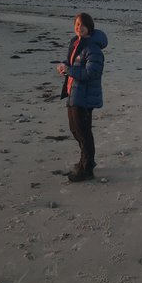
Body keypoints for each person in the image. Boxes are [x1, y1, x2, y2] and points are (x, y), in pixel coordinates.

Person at [57, 12, 108, 182]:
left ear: (89, 27)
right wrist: (64, 65)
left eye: (82, 25)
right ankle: (84, 161)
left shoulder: (93, 48)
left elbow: (91, 73)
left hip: (85, 97)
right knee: (75, 130)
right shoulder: (75, 43)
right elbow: (72, 63)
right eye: (77, 24)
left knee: (84, 132)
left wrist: (69, 70)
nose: (79, 28)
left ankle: (87, 168)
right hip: (74, 93)